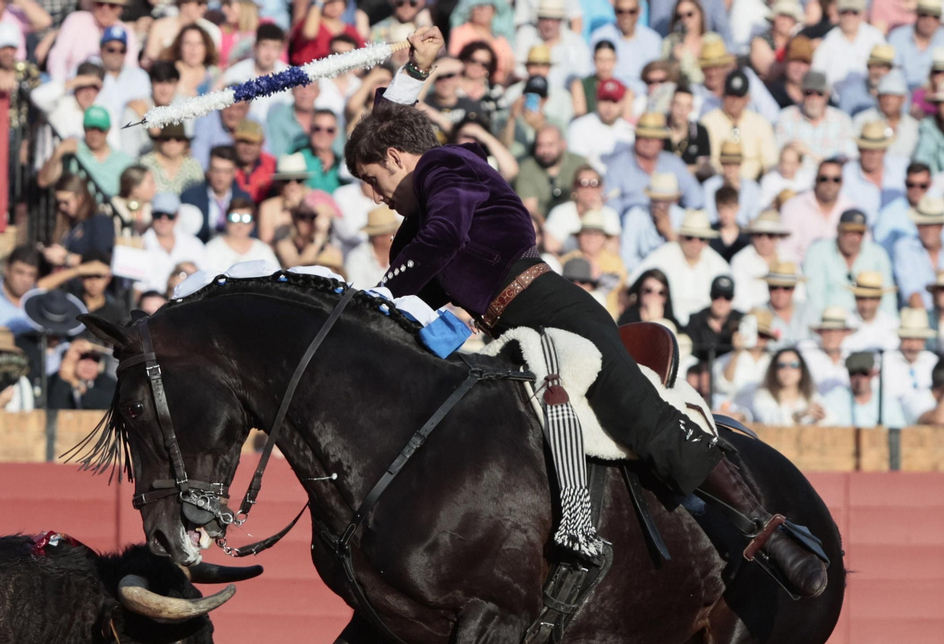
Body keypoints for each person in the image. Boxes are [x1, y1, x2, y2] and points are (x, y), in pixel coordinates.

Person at [349, 47, 827, 597]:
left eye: (372, 179)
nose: (375, 197)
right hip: (504, 335)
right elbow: (412, 294)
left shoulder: (445, 167)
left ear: (395, 156)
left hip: (553, 309)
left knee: (638, 415)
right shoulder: (413, 234)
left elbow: (445, 238)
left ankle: (771, 533)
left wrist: (377, 294)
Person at [748, 346, 828, 425]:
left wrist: (820, 418)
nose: (788, 370)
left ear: (802, 370)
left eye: (794, 365)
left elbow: (831, 420)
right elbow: (768, 420)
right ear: (774, 370)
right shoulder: (763, 395)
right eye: (781, 365)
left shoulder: (811, 396)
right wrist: (799, 415)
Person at [201, 195, 278, 275]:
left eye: (246, 219)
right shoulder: (212, 249)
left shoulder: (263, 250)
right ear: (226, 221)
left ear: (253, 224)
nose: (240, 224)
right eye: (234, 218)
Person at [46, 339, 116, 409]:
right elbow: (54, 408)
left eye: (95, 359)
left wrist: (75, 383)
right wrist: (65, 377)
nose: (89, 364)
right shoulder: (53, 381)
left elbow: (108, 404)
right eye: (83, 357)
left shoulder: (108, 383)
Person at [345, 205, 397, 289]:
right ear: (378, 237)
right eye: (391, 233)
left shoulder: (401, 253)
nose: (395, 236)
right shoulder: (357, 258)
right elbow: (356, 292)